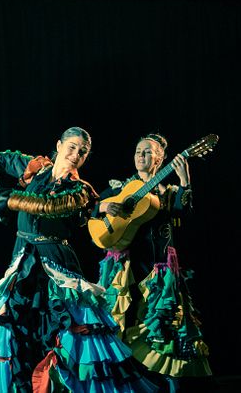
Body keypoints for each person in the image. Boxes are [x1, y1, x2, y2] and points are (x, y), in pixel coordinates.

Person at [0, 127, 157, 393]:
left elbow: (47, 206)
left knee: (68, 333)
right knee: (17, 332)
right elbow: (3, 159)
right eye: (71, 147)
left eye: (82, 152)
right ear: (59, 146)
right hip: (24, 263)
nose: (76, 154)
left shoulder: (79, 190)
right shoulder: (36, 168)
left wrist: (5, 197)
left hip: (56, 264)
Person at [90, 133, 212, 391]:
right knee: (121, 322)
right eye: (137, 151)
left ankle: (169, 383)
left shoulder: (167, 192)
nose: (141, 156)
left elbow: (184, 211)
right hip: (124, 268)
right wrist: (105, 207)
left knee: (163, 326)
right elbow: (93, 208)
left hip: (158, 269)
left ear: (161, 159)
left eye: (147, 152)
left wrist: (184, 179)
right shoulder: (122, 187)